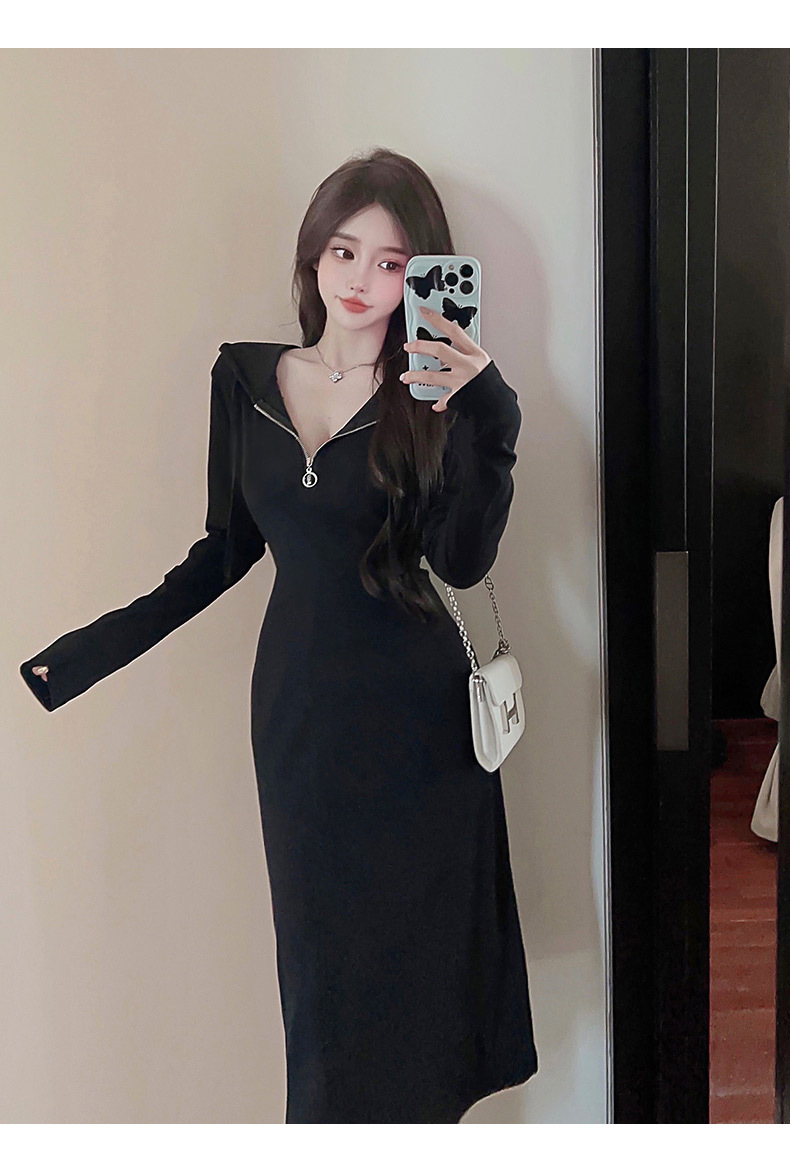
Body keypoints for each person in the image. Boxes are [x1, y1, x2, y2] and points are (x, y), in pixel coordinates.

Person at [20, 146, 538, 1122]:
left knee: (421, 989)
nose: (361, 279)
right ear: (312, 254)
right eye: (343, 251)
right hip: (302, 727)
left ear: (423, 273)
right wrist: (84, 655)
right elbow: (222, 554)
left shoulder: (429, 396)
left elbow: (462, 562)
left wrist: (489, 413)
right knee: (323, 980)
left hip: (421, 730)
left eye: (391, 262)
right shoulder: (248, 381)